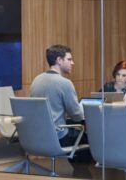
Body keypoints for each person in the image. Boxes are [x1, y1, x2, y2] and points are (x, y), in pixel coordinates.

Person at [29, 44, 94, 172]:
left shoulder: (36, 80)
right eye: (69, 60)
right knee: (91, 139)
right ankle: (84, 176)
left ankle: (80, 175)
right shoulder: (64, 83)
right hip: (58, 138)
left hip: (37, 136)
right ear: (59, 60)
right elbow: (77, 115)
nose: (72, 63)